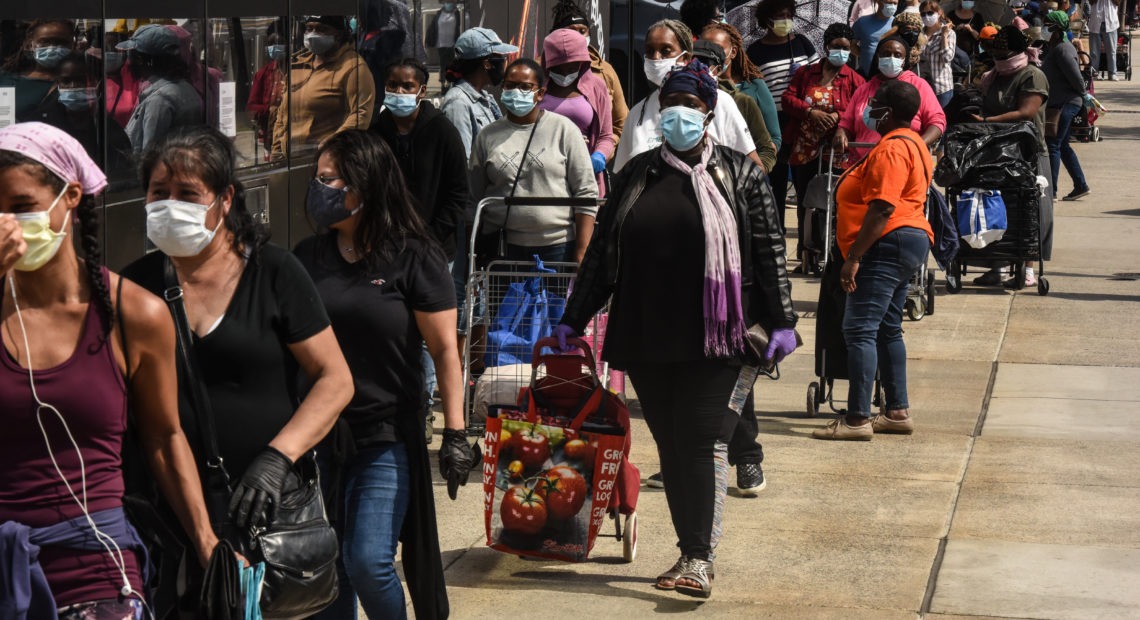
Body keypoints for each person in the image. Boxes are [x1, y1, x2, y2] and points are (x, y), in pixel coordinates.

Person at [555, 60, 797, 599]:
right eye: (669, 107)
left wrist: (782, 319)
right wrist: (573, 320)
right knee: (670, 443)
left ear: (708, 112)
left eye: (688, 106)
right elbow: (602, 256)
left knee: (703, 439)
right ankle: (691, 547)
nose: (677, 116)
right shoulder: (637, 174)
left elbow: (770, 249)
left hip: (722, 335)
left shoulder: (740, 172)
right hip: (647, 333)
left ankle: (698, 558)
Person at [0, 122, 218, 618]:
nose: (7, 224)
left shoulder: (133, 314)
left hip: (95, 569)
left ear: (70, 198)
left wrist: (205, 540)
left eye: (21, 206)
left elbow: (164, 437)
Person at [121, 127, 353, 556]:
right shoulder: (133, 286)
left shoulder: (275, 272)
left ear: (225, 199)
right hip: (164, 514)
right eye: (159, 192)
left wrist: (278, 459)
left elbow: (334, 379)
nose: (171, 205)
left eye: (188, 194)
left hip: (265, 510)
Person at [296, 130, 477, 620]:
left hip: (385, 434)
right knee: (326, 566)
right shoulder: (306, 258)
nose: (320, 190)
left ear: (365, 185)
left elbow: (444, 351)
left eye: (329, 180)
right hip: (317, 438)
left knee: (368, 560)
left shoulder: (415, 256)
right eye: (318, 179)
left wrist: (455, 433)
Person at [812, 80, 933, 441]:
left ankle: (857, 419)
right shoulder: (914, 143)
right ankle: (896, 411)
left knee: (859, 328)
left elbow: (881, 208)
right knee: (886, 327)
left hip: (887, 241)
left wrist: (854, 257)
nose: (869, 109)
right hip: (907, 240)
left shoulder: (892, 150)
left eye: (875, 104)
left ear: (889, 113)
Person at [371, 58, 468, 436]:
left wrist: (430, 237)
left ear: (421, 91)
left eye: (406, 86)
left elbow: (457, 193)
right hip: (384, 248)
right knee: (392, 328)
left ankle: (424, 407)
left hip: (432, 252)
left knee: (432, 336)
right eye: (392, 85)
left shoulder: (441, 131)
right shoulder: (376, 131)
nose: (398, 93)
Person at [468, 59, 598, 265]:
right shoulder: (487, 136)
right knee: (501, 299)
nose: (516, 92)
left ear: (540, 93)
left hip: (557, 248)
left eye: (525, 87)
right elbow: (475, 196)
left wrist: (582, 251)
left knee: (553, 300)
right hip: (503, 250)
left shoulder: (564, 130)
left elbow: (586, 193)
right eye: (510, 86)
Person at [614, 20, 761, 172]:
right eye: (650, 51)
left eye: (666, 50)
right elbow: (623, 177)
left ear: (686, 58)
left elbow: (753, 169)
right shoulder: (637, 113)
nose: (656, 58)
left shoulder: (720, 103)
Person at [969, 26, 1052, 288]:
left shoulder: (1032, 75)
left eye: (1005, 54)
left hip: (1027, 153)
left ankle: (1028, 267)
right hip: (996, 153)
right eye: (997, 53)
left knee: (1029, 210)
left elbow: (1026, 112)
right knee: (996, 210)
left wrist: (987, 121)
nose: (1000, 58)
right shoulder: (995, 76)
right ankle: (998, 265)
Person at [783, 23, 866, 265]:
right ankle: (807, 254)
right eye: (836, 47)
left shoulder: (855, 80)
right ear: (826, 47)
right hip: (804, 146)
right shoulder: (806, 73)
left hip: (837, 149)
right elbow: (788, 98)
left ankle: (835, 253)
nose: (841, 52)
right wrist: (810, 112)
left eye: (845, 48)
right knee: (806, 200)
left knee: (836, 199)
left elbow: (859, 109)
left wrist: (839, 118)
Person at [746, 0, 819, 227]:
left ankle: (806, 245)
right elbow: (753, 88)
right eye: (779, 16)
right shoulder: (755, 51)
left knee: (804, 183)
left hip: (802, 120)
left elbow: (818, 76)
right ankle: (776, 234)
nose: (785, 21)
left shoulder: (802, 44)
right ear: (767, 20)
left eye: (788, 15)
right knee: (776, 181)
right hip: (772, 123)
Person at [271, 15, 375, 158]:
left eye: (322, 29)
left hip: (326, 160)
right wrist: (276, 152)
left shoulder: (353, 67)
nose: (313, 34)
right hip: (289, 159)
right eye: (309, 29)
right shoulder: (298, 64)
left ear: (338, 35)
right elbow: (282, 114)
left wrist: (330, 145)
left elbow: (360, 115)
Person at [833, 36, 946, 162]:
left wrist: (917, 144)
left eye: (897, 55)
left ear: (904, 60)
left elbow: (937, 122)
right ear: (877, 57)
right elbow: (846, 123)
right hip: (863, 163)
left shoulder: (919, 86)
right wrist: (841, 133)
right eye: (886, 54)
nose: (891, 58)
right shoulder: (864, 89)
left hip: (905, 160)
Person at [539, 28, 615, 194]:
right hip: (542, 179)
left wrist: (600, 155)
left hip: (585, 179)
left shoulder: (597, 86)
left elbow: (606, 136)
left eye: (572, 68)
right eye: (559, 68)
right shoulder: (537, 87)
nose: (565, 74)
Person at [551, 0, 630, 144]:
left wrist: (602, 152)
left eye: (582, 31)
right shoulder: (538, 68)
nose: (578, 36)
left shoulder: (605, 71)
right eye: (571, 30)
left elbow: (621, 122)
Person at [116, 24, 203, 155]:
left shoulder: (159, 101)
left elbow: (149, 155)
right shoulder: (187, 89)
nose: (128, 63)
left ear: (140, 60)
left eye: (131, 56)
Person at [693, 39, 777, 172]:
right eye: (690, 62)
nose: (696, 69)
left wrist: (753, 177)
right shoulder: (669, 100)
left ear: (717, 70)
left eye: (704, 64)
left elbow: (768, 147)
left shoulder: (733, 101)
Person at [702, 22, 783, 153]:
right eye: (705, 50)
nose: (711, 56)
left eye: (718, 49)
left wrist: (757, 167)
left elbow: (774, 138)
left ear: (733, 52)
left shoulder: (754, 86)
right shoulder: (694, 87)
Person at [440, 26, 517, 158]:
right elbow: (463, 160)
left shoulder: (485, 98)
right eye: (500, 58)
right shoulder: (458, 103)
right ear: (487, 64)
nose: (504, 64)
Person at [1041, 10, 1091, 200]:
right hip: (1060, 102)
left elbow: (1076, 78)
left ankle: (1051, 191)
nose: (1044, 28)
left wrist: (1084, 95)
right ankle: (1080, 184)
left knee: (1053, 144)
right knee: (1062, 146)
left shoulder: (1063, 49)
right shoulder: (1056, 47)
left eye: (1047, 25)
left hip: (1066, 103)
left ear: (1054, 28)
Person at [0, 19, 74, 120]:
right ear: (30, 45)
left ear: (72, 44)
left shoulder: (79, 82)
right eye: (45, 42)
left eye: (61, 42)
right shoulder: (6, 80)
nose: (52, 47)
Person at [246, 30, 287, 154]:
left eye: (279, 43)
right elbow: (252, 106)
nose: (274, 47)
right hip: (270, 132)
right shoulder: (263, 74)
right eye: (271, 44)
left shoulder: (296, 69)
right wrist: (269, 109)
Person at [919, 0, 958, 107]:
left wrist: (944, 36)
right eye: (923, 14)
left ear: (939, 12)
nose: (927, 16)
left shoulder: (949, 33)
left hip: (941, 88)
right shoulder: (919, 33)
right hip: (924, 88)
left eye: (930, 13)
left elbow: (947, 58)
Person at [853, 0, 900, 75]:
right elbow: (851, 44)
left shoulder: (897, 24)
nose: (892, 6)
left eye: (895, 3)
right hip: (866, 75)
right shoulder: (862, 22)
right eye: (889, 2)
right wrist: (865, 56)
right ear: (878, 1)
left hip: (888, 77)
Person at [425, 1, 461, 91]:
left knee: (451, 64)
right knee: (443, 64)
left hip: (452, 43)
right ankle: (442, 84)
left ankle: (449, 82)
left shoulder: (456, 13)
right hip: (441, 43)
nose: (448, 4)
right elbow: (433, 27)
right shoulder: (439, 13)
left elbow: (458, 27)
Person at [1086, 0, 1121, 80]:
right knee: (1094, 52)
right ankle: (1094, 73)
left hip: (1111, 22)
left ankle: (1112, 73)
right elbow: (1091, 2)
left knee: (1112, 51)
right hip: (1096, 21)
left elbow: (1118, 2)